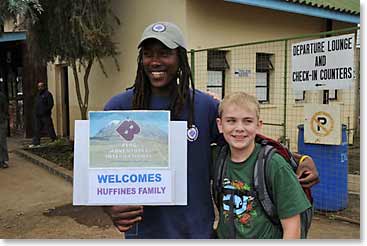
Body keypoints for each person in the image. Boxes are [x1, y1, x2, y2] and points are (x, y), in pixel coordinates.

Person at [103, 21, 319, 239]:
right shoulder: (119, 108)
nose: (155, 61)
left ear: (180, 58)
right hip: (144, 233)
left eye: (164, 53)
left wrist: (298, 159)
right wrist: (109, 207)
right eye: (148, 54)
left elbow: (243, 139)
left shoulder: (203, 106)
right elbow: (99, 171)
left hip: (196, 231)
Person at [215, 92, 311, 239]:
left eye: (247, 121)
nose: (239, 128)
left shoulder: (274, 165)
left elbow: (292, 228)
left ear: (259, 125)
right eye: (231, 121)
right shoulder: (217, 158)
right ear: (220, 125)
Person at [29, 81, 57, 148]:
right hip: (38, 115)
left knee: (49, 127)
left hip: (45, 115)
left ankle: (54, 140)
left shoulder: (48, 94)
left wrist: (45, 111)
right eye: (39, 86)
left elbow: (50, 104)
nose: (40, 88)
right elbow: (36, 104)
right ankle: (36, 142)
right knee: (37, 129)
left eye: (41, 86)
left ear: (44, 86)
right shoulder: (38, 94)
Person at [0, 90, 9, 168]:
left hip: (1, 121)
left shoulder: (1, 96)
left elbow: (5, 108)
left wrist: (4, 117)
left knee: (2, 141)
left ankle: (2, 160)